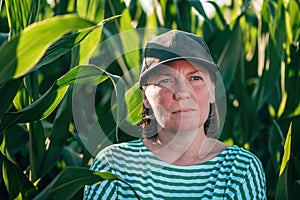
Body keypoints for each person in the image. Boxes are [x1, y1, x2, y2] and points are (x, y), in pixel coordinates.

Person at [84, 30, 266, 199]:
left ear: (213, 91)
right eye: (166, 80)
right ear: (145, 97)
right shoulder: (113, 166)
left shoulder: (239, 169)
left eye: (195, 78)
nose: (182, 92)